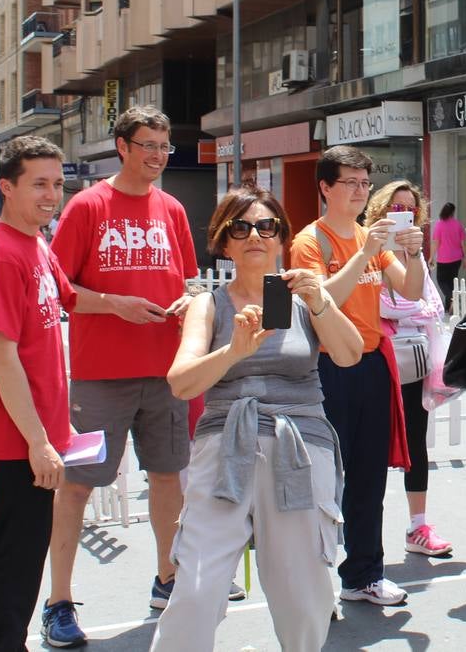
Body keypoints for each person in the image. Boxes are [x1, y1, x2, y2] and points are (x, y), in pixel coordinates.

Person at [150, 185, 363, 651]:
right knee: (197, 589)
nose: (255, 236)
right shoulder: (208, 304)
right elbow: (181, 382)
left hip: (299, 445)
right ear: (223, 242)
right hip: (226, 443)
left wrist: (320, 300)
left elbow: (349, 355)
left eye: (267, 227)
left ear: (281, 238)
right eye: (240, 227)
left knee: (303, 593)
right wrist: (233, 351)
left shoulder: (302, 295)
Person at [44, 106, 203, 645]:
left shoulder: (173, 209)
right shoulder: (87, 206)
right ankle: (58, 602)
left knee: (168, 478)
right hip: (99, 378)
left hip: (166, 375)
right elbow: (58, 288)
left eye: (165, 146)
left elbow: (190, 280)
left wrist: (188, 304)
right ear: (122, 145)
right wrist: (115, 304)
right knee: (76, 488)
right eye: (148, 145)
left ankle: (167, 579)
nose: (158, 156)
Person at [0, 137, 106, 651]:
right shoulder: (2, 254)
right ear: (7, 186)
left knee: (20, 564)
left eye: (57, 184)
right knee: (9, 566)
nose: (52, 195)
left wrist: (127, 304)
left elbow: (69, 300)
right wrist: (38, 441)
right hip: (13, 446)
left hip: (34, 438)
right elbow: (2, 356)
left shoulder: (34, 242)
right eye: (39, 184)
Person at [288, 146, 424, 606]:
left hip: (370, 365)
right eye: (350, 183)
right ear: (325, 187)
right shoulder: (312, 241)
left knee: (368, 475)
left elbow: (411, 289)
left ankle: (363, 574)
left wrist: (414, 254)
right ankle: (311, 583)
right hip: (326, 368)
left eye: (365, 184)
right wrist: (364, 252)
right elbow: (318, 298)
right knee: (322, 478)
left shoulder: (370, 237)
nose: (360, 192)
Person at [367, 181, 455, 559]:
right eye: (394, 208)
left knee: (416, 443)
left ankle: (417, 526)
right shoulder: (368, 251)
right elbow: (382, 305)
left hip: (415, 362)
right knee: (367, 446)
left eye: (410, 210)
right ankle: (358, 531)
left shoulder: (415, 255)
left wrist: (414, 262)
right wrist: (408, 307)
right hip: (376, 358)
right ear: (380, 211)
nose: (403, 215)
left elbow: (429, 305)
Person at [431, 201, 466, 314]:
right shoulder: (458, 224)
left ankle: (452, 298)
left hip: (443, 258)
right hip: (456, 259)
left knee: (441, 281)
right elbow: (463, 243)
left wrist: (431, 256)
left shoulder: (439, 224)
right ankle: (449, 308)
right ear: (452, 212)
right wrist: (465, 258)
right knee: (451, 282)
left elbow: (435, 243)